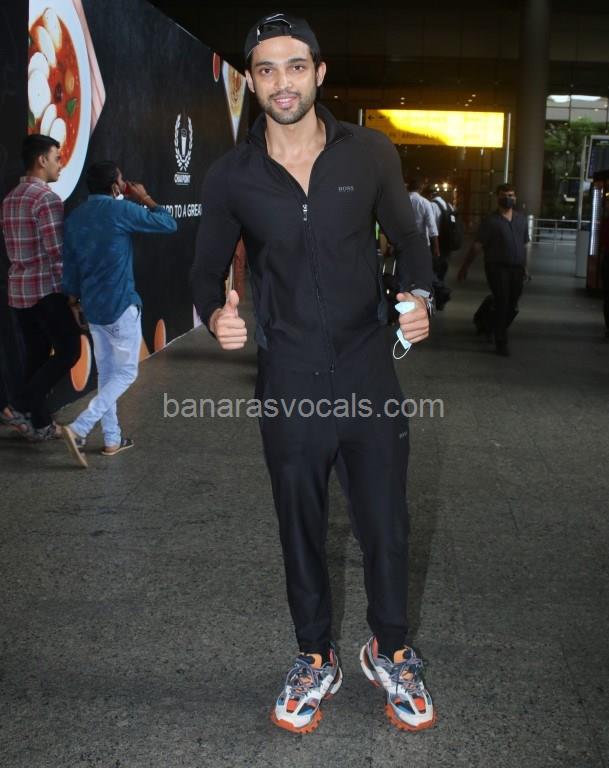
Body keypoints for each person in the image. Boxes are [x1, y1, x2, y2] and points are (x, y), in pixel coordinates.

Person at [191, 12, 436, 734]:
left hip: (367, 371)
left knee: (385, 523)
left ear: (319, 73)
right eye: (265, 69)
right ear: (250, 80)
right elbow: (204, 273)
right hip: (289, 378)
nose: (281, 82)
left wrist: (420, 298)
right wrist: (216, 314)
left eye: (295, 66)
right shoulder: (231, 176)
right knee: (299, 524)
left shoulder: (369, 154)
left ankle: (390, 649)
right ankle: (314, 654)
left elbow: (411, 244)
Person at [60, 161, 177, 468]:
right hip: (121, 305)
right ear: (115, 186)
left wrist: (73, 303)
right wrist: (145, 197)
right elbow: (168, 224)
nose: (125, 184)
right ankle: (80, 427)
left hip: (92, 308)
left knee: (108, 375)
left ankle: (112, 438)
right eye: (122, 180)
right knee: (126, 373)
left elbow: (70, 267)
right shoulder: (121, 210)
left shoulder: (76, 217)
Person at [0, 134, 81, 440]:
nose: (61, 164)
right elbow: (57, 253)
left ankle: (38, 423)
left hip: (18, 291)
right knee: (70, 350)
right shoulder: (46, 199)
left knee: (36, 356)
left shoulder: (10, 198)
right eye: (57, 158)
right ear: (41, 160)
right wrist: (72, 295)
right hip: (46, 291)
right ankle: (22, 405)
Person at [458, 183, 530, 356]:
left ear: (515, 197)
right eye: (504, 195)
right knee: (502, 300)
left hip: (517, 268)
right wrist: (465, 266)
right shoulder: (490, 221)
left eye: (511, 195)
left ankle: (487, 323)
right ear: (497, 197)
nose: (508, 198)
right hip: (496, 267)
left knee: (512, 304)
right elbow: (477, 245)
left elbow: (524, 244)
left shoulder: (521, 220)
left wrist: (525, 267)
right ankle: (501, 341)